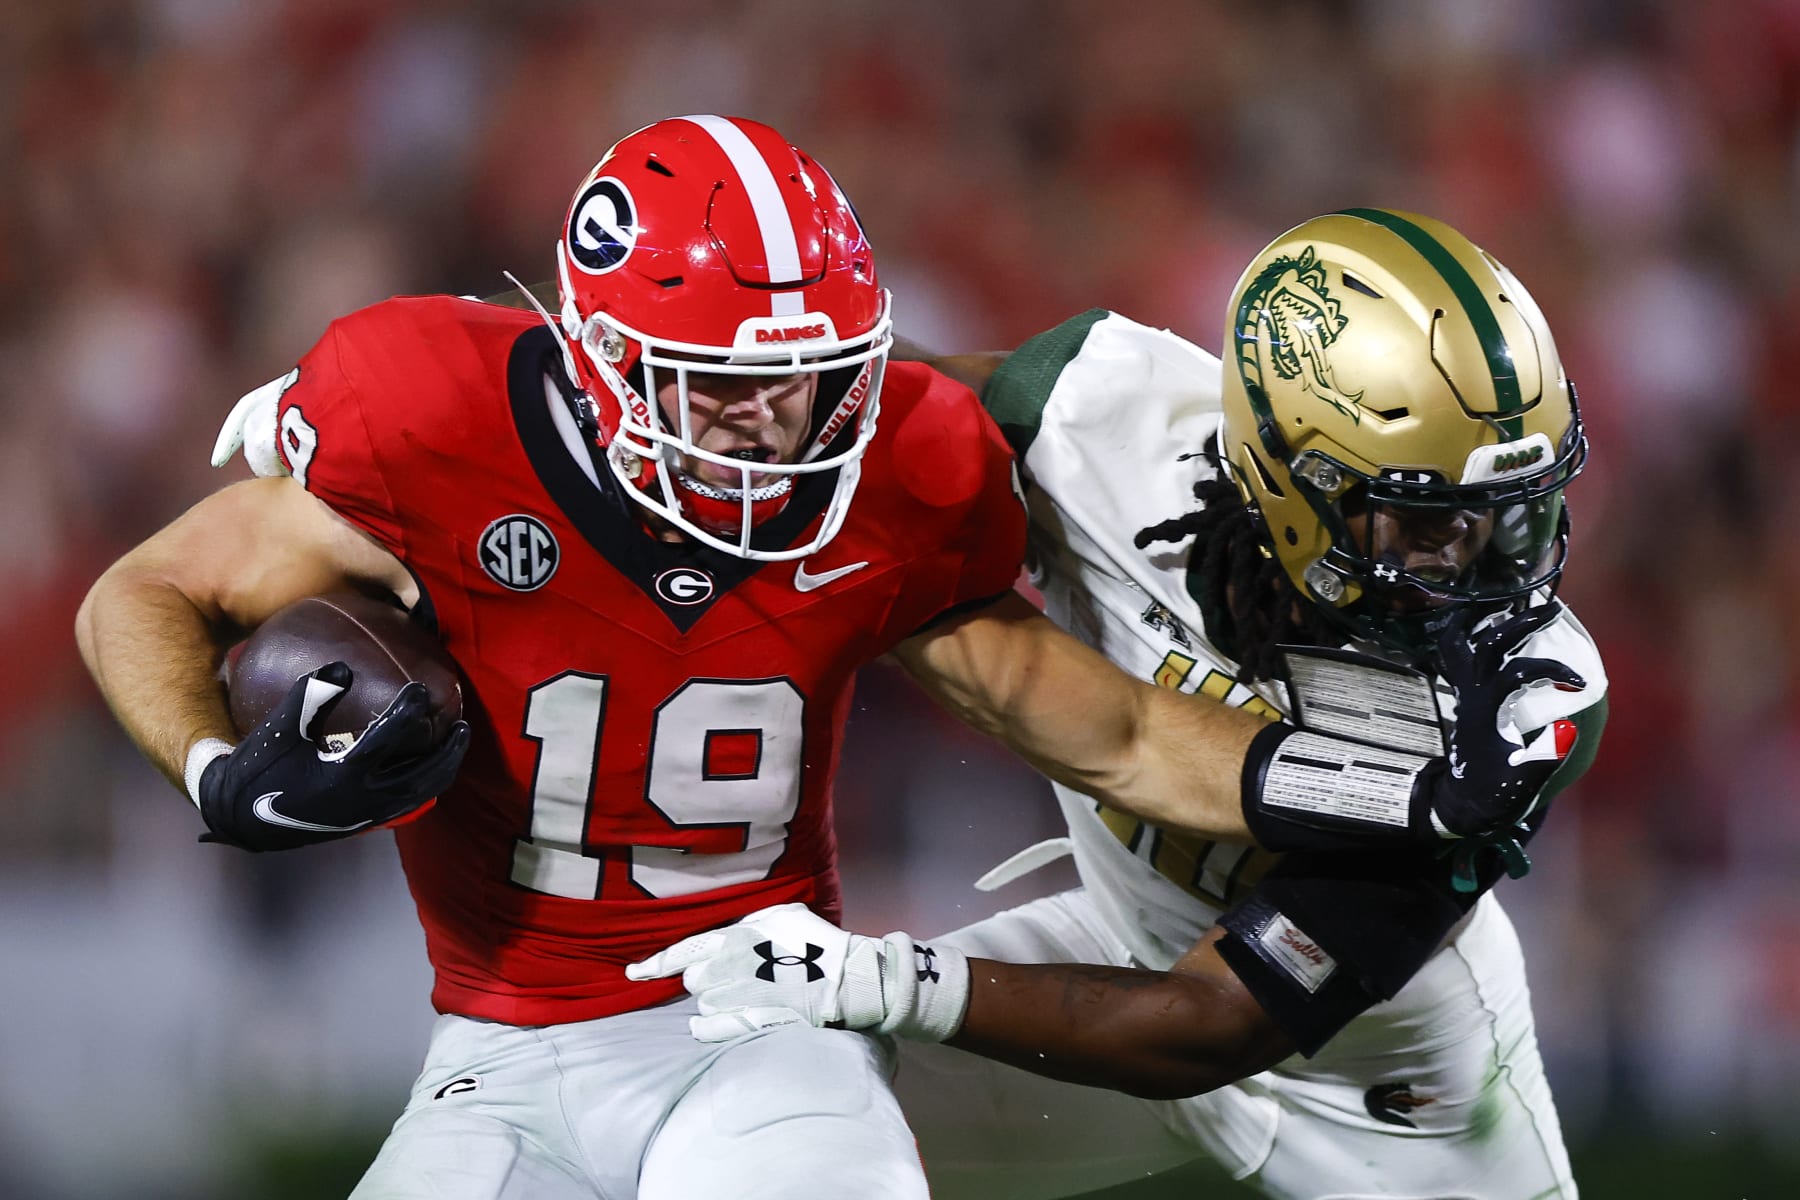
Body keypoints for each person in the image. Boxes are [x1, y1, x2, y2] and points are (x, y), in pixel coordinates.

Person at [77, 108, 1562, 1197]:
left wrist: (1408, 797)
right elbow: (138, 595)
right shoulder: (427, 423)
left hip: (784, 1020)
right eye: (722, 387)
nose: (776, 429)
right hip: (507, 1046)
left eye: (808, 382)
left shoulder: (887, 476)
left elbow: (1119, 746)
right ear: (603, 360)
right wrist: (213, 766)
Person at [630, 209, 1606, 1199]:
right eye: (1426, 514)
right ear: (1289, 470)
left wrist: (890, 980)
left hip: (1390, 1084)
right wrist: (626, 361)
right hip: (1119, 949)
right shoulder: (1110, 419)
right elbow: (854, 407)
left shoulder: (1520, 703)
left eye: (1508, 512)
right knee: (721, 1097)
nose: (1474, 559)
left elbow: (1210, 1024)